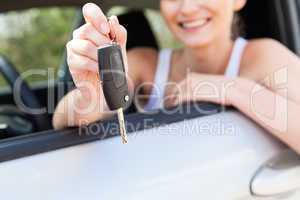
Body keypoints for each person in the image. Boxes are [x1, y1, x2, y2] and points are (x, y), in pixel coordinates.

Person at [53, 1, 300, 153]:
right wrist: (93, 94)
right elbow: (62, 119)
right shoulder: (145, 63)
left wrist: (233, 89)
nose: (188, 7)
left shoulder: (264, 56)